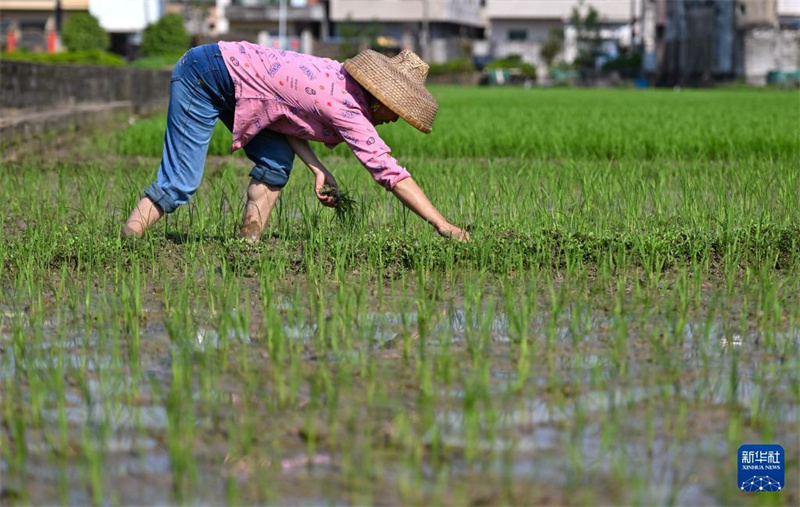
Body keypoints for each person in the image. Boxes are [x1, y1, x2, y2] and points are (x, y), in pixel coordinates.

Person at [121, 41, 469, 242]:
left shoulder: (339, 77)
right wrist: (443, 225)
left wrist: (317, 168)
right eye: (397, 112)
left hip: (229, 77)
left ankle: (247, 246)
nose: (395, 120)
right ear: (381, 100)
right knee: (180, 182)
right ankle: (127, 246)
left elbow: (285, 112)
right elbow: (388, 172)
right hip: (204, 74)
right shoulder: (347, 107)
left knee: (275, 162)